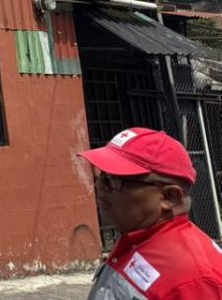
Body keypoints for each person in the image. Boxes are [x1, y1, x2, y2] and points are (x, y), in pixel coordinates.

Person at [80, 127, 222, 299]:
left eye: (114, 181)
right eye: (102, 176)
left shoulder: (193, 279)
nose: (99, 188)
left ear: (169, 197)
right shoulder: (138, 240)